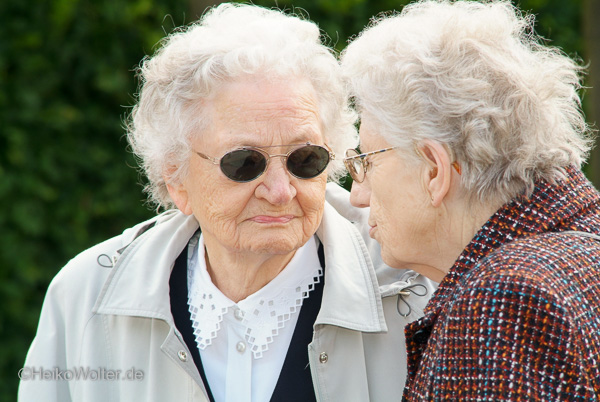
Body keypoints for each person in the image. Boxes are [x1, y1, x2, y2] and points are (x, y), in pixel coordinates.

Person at [18, 3, 435, 402]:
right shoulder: (83, 299)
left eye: (305, 159)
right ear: (176, 178)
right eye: (244, 163)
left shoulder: (416, 293)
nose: (280, 190)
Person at [340, 0, 600, 400]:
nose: (357, 195)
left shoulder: (505, 303)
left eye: (365, 162)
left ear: (434, 170)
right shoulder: (580, 243)